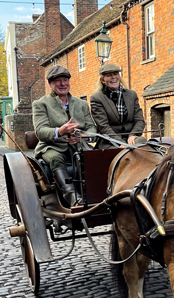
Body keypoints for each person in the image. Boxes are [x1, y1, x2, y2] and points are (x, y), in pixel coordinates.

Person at [33, 65, 95, 206]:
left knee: (96, 156)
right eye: (58, 81)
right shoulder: (41, 104)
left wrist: (84, 136)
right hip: (51, 147)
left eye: (65, 80)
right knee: (55, 159)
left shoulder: (81, 104)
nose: (62, 84)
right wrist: (60, 131)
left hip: (79, 145)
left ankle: (96, 194)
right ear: (50, 84)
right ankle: (72, 197)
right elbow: (40, 131)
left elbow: (92, 127)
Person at [89, 63, 146, 149]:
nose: (113, 77)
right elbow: (103, 126)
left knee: (144, 146)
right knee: (121, 152)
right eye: (109, 75)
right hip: (110, 141)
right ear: (103, 80)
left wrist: (133, 135)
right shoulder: (97, 98)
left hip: (130, 138)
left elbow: (139, 119)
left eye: (115, 74)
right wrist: (120, 142)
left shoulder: (131, 94)